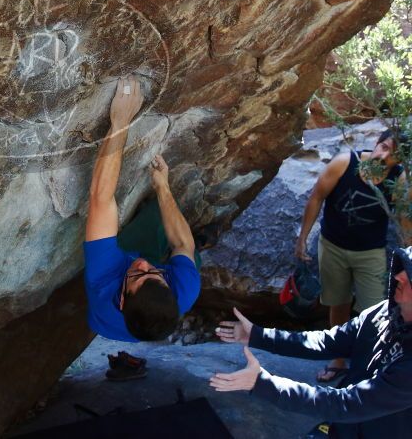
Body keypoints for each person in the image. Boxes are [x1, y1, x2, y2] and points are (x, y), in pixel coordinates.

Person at [210, 247, 412, 438]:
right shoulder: (384, 313)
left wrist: (263, 383)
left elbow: (349, 404)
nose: (398, 276)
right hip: (343, 428)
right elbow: (329, 342)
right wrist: (258, 335)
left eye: (410, 277)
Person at [83, 74, 200, 342]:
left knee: (140, 232)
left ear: (122, 299)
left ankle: (146, 228)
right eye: (156, 273)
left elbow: (100, 199)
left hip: (104, 321)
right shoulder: (185, 289)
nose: (144, 264)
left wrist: (121, 122)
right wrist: (163, 188)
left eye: (137, 274)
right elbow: (183, 244)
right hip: (152, 292)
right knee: (181, 245)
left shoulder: (104, 282)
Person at [294, 129, 404, 382]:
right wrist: (302, 239)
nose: (383, 156)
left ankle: (368, 363)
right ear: (376, 143)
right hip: (333, 246)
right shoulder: (346, 162)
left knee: (374, 311)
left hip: (370, 253)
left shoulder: (398, 178)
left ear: (399, 160)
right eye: (383, 147)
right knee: (338, 303)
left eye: (392, 154)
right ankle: (339, 358)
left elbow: (403, 219)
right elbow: (317, 197)